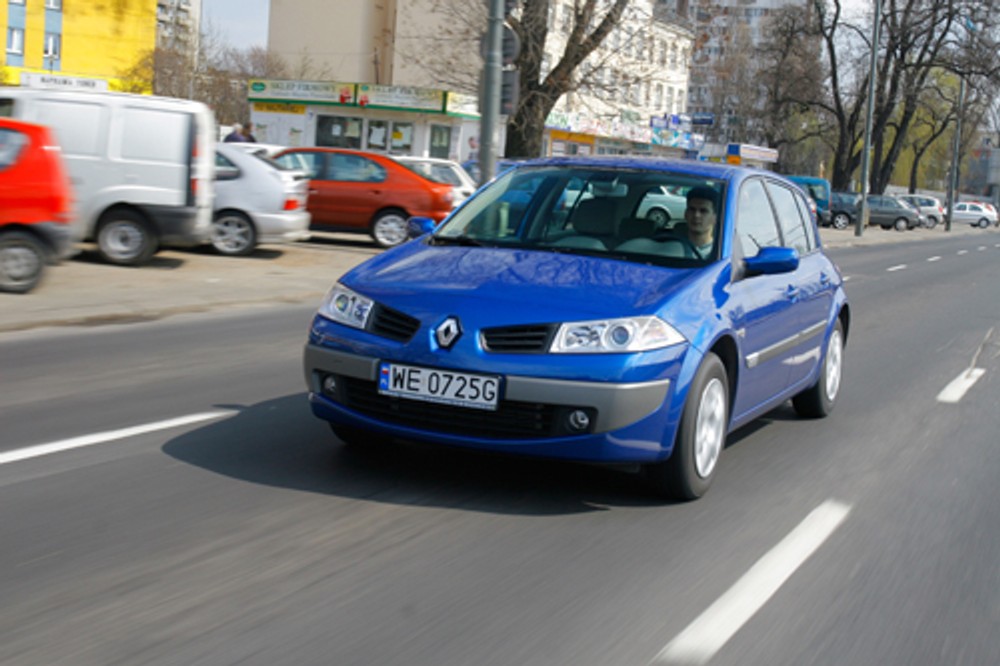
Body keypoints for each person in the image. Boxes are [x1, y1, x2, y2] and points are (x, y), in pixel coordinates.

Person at [681, 186, 718, 259]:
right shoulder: (671, 248)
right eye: (692, 209)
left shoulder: (721, 253)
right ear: (685, 214)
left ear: (715, 218)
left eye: (703, 211)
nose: (696, 215)